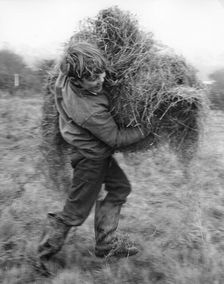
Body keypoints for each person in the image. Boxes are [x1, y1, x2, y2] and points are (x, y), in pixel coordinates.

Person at [38, 42, 150, 262]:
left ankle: (106, 244)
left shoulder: (67, 75)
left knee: (120, 187)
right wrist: (148, 128)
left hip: (91, 150)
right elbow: (115, 138)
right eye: (93, 78)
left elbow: (80, 56)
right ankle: (43, 254)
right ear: (76, 80)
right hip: (90, 159)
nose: (101, 80)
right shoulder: (89, 111)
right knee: (75, 213)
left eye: (101, 73)